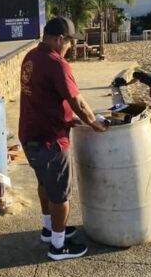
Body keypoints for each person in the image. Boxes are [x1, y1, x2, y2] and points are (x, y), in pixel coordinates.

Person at [19, 16, 107, 261]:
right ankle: (58, 247)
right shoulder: (56, 63)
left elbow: (44, 96)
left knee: (45, 184)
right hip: (51, 140)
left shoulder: (31, 57)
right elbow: (76, 100)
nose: (69, 47)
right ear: (60, 39)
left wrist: (69, 119)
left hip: (30, 135)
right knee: (61, 194)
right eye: (69, 42)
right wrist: (94, 123)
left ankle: (49, 229)